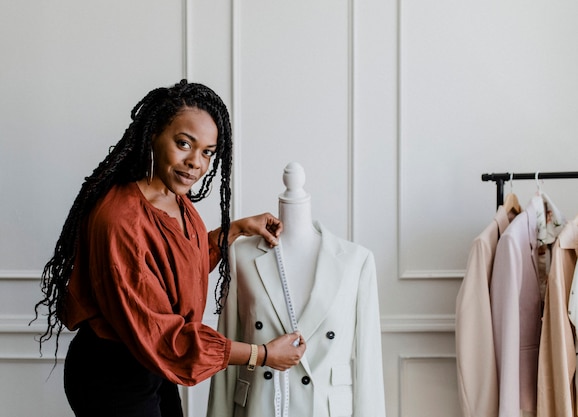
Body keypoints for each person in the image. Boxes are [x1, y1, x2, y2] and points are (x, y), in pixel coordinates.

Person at [32, 80, 306, 417]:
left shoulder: (172, 196)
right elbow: (164, 336)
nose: (196, 163)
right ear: (153, 135)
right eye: (184, 144)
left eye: (207, 152)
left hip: (152, 364)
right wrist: (261, 355)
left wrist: (234, 230)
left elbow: (175, 269)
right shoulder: (120, 220)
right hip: (114, 375)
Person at [207, 162, 386, 417]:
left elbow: (369, 367)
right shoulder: (240, 255)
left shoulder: (356, 261)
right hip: (259, 407)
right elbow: (226, 349)